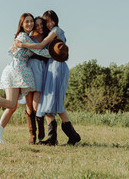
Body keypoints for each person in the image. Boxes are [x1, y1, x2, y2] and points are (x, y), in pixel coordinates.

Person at [0, 13, 51, 144]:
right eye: (27, 22)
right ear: (22, 24)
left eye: (31, 22)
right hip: (15, 71)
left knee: (12, 107)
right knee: (11, 104)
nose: (30, 24)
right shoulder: (24, 37)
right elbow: (40, 51)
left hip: (18, 70)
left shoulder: (23, 37)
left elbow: (11, 51)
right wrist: (56, 54)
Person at [15, 10, 81, 146]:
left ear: (55, 20)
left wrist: (22, 44)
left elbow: (40, 46)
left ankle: (60, 137)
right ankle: (65, 137)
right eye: (47, 22)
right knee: (51, 103)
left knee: (52, 102)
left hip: (57, 67)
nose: (49, 24)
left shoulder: (56, 30)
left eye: (51, 20)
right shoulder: (51, 33)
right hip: (51, 67)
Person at [24, 16, 50, 144]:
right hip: (29, 70)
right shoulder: (28, 38)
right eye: (37, 25)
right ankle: (32, 135)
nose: (39, 27)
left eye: (41, 25)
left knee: (36, 106)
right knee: (29, 107)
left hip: (41, 70)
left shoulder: (46, 39)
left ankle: (40, 128)